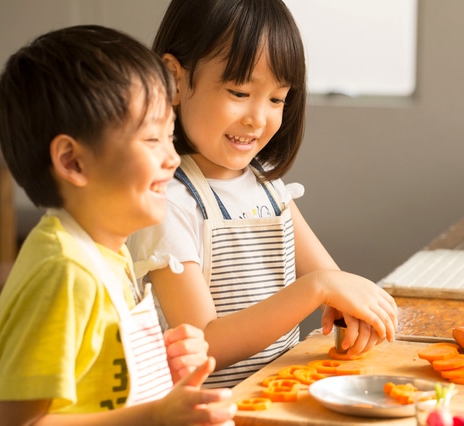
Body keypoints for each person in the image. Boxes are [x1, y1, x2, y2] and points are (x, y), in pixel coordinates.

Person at [127, 0, 398, 388]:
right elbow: (204, 345)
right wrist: (318, 289)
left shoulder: (268, 187)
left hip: (273, 400)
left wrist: (350, 312)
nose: (258, 117)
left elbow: (334, 283)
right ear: (174, 79)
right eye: (239, 91)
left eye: (276, 99)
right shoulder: (168, 204)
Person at [0, 25, 236, 425]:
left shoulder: (108, 252)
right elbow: (16, 422)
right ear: (73, 162)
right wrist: (154, 416)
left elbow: (100, 391)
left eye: (170, 137)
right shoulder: (66, 270)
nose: (172, 159)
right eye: (152, 139)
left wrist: (164, 369)